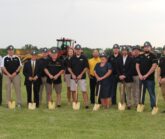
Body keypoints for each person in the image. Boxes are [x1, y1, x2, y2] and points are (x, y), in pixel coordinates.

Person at [136, 41, 158, 110]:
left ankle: (153, 106)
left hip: (150, 79)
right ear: (143, 48)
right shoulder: (140, 56)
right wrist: (139, 74)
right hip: (141, 78)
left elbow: (154, 66)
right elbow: (137, 65)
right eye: (145, 47)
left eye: (148, 47)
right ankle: (141, 105)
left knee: (151, 93)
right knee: (142, 93)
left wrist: (146, 75)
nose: (146, 48)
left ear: (150, 47)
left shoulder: (153, 56)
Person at [68, 44, 89, 109]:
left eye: (79, 50)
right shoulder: (72, 58)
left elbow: (86, 67)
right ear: (75, 50)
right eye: (76, 50)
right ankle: (75, 102)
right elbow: (69, 68)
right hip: (73, 78)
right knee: (73, 91)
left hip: (82, 78)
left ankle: (86, 104)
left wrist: (81, 74)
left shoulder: (84, 58)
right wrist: (72, 74)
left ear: (80, 50)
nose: (77, 51)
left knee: (84, 91)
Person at [157, 45, 165, 113]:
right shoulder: (162, 59)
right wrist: (159, 77)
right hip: (162, 80)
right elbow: (159, 68)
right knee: (163, 94)